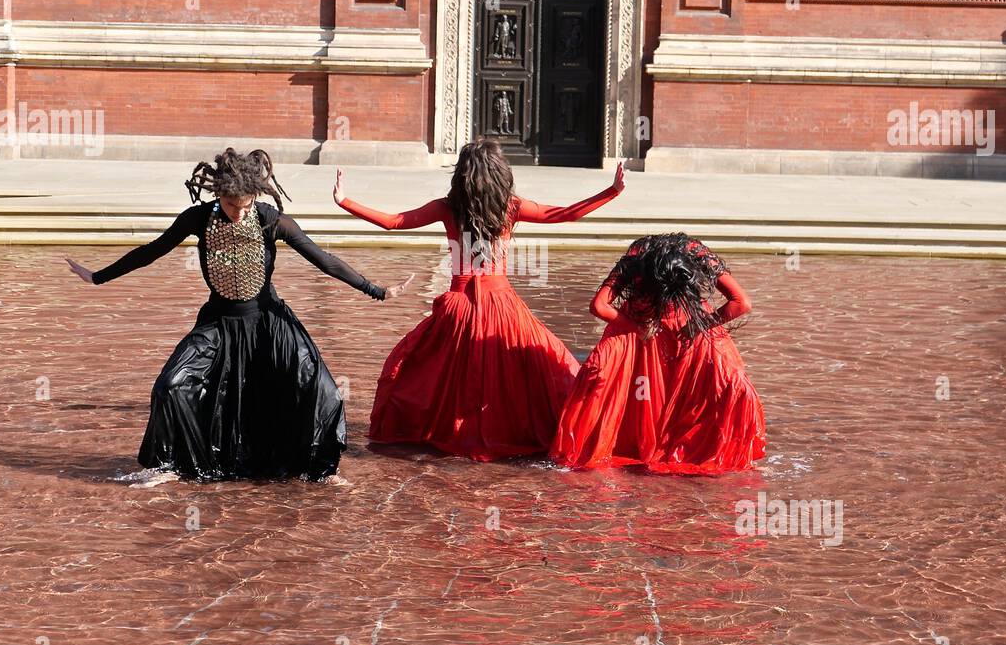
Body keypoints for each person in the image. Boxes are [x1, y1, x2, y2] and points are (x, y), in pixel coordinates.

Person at [65, 148, 410, 482]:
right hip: (218, 324)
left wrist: (377, 290)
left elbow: (324, 260)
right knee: (169, 387)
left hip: (269, 322)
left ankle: (320, 471)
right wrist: (97, 277)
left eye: (245, 207)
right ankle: (169, 467)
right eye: (232, 206)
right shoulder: (198, 219)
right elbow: (150, 252)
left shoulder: (270, 220)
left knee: (324, 392)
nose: (239, 213)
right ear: (219, 195)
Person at [333, 139, 625, 460]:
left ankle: (449, 434)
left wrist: (345, 200)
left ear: (462, 174)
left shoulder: (447, 207)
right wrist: (610, 192)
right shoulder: (510, 207)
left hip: (458, 306)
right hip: (502, 304)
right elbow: (563, 215)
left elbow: (393, 222)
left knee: (430, 370)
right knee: (534, 367)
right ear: (501, 174)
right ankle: (540, 430)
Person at [551, 233, 766, 475]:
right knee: (603, 374)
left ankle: (688, 448)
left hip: (680, 324)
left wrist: (694, 326)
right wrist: (641, 328)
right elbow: (599, 306)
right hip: (652, 326)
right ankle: (643, 447)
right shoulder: (636, 258)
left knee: (727, 382)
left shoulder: (697, 253)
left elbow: (742, 303)